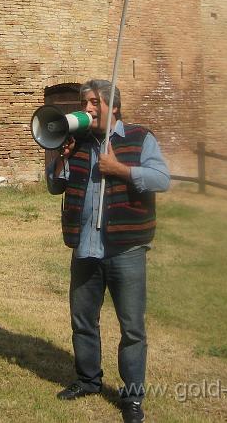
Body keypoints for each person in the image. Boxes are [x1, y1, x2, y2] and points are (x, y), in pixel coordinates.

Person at [47, 79, 170, 423]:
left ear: (112, 107)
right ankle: (88, 380)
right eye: (83, 103)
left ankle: (132, 399)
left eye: (92, 103)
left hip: (125, 248)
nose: (85, 109)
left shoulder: (139, 138)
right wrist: (61, 159)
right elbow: (55, 185)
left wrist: (122, 170)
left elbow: (162, 179)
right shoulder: (77, 140)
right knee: (83, 320)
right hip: (85, 247)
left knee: (132, 328)